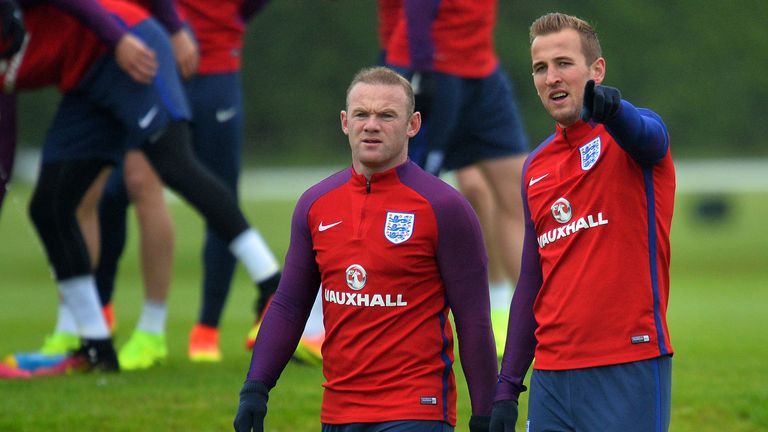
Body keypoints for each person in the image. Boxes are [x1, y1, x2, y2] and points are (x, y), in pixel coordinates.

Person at [2, 0, 280, 372]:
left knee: (174, 164)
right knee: (49, 206)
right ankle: (95, 347)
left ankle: (272, 284)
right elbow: (4, 142)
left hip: (132, 45)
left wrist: (124, 38)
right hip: (83, 81)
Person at [233, 66, 497, 432]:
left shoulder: (444, 208)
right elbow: (290, 305)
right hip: (339, 411)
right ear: (345, 121)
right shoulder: (315, 204)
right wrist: (256, 388)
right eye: (362, 114)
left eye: (387, 115)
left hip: (416, 410)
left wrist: (485, 414)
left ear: (413, 124)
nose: (372, 124)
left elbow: (473, 320)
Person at [490, 13, 675, 432]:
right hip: (552, 378)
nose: (551, 77)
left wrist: (616, 112)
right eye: (540, 68)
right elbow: (532, 282)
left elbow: (650, 138)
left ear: (597, 70)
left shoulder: (633, 136)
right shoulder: (536, 167)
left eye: (563, 63)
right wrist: (507, 387)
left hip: (627, 365)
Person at [383, 0, 529, 357]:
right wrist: (417, 68)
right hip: (431, 68)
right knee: (391, 197)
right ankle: (319, 320)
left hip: (481, 72)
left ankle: (542, 325)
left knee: (521, 196)